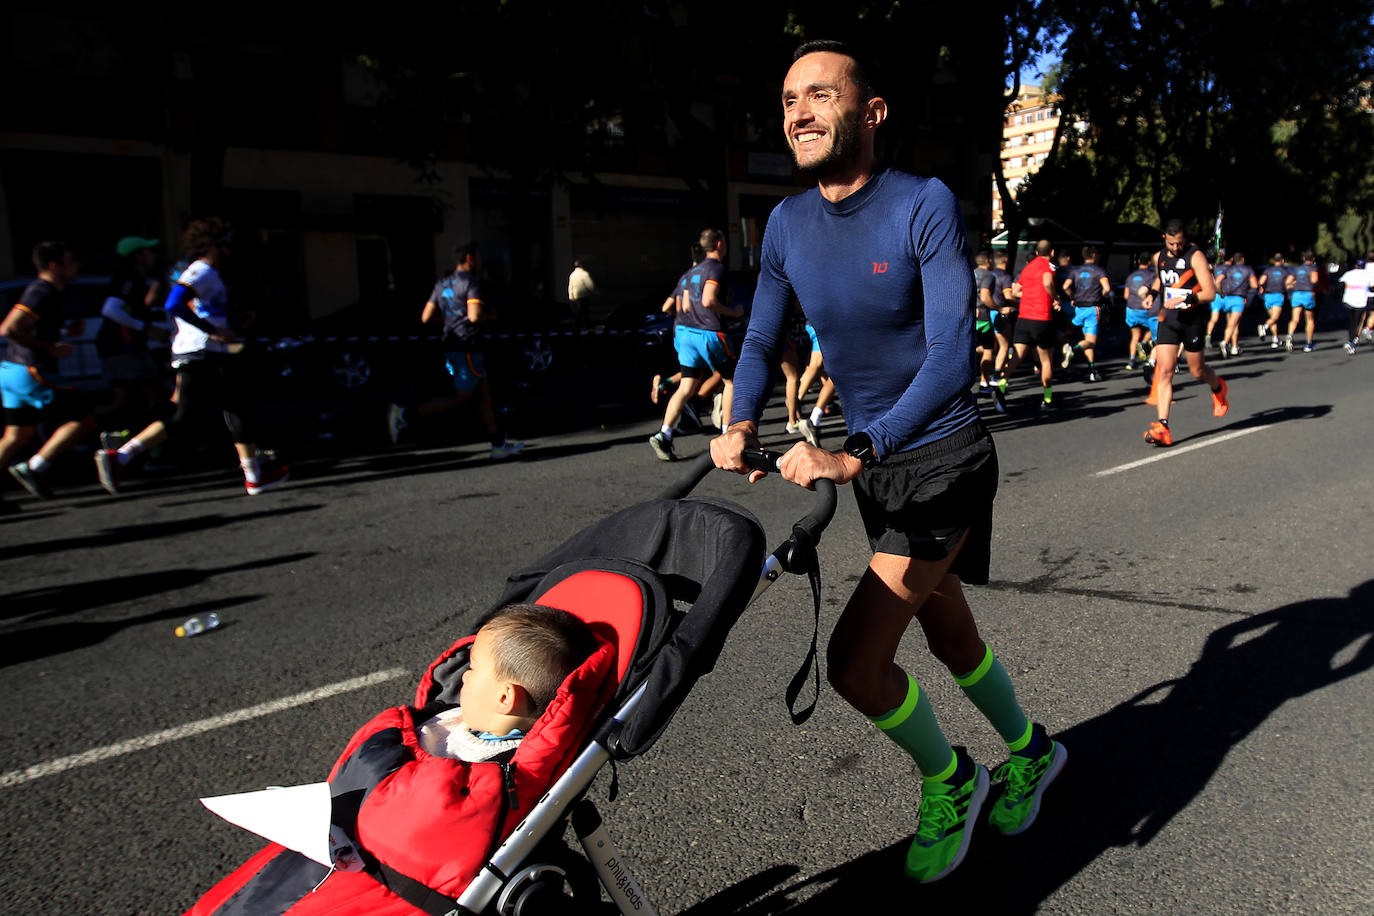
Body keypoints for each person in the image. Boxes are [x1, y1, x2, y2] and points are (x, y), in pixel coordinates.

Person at [714, 40, 1065, 884]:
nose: (798, 111)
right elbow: (763, 337)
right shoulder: (788, 225)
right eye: (790, 96)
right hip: (878, 469)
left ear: (870, 113)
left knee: (854, 664)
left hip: (941, 455)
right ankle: (1032, 749)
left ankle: (953, 778)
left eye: (821, 95)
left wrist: (854, 452)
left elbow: (951, 356)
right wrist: (735, 420)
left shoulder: (923, 203)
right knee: (948, 631)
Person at [93, 218, 290, 496]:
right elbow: (173, 303)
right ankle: (121, 455)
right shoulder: (202, 270)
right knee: (187, 414)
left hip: (204, 351)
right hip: (200, 352)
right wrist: (213, 331)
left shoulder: (205, 272)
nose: (229, 250)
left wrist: (230, 323)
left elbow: (198, 307)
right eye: (225, 244)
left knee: (233, 407)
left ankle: (254, 475)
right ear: (212, 245)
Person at [385, 243, 525, 459]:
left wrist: (450, 319)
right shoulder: (471, 282)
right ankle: (405, 414)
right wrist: (491, 316)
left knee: (485, 396)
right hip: (467, 346)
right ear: (469, 258)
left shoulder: (443, 283)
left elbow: (426, 317)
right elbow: (475, 316)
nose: (480, 261)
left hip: (454, 345)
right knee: (462, 398)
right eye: (478, 257)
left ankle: (498, 445)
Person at [420, 603, 598, 761]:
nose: (464, 676)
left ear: (504, 698)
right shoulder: (467, 716)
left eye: (473, 668)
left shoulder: (479, 766)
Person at [0, 241, 99, 500]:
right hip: (30, 371)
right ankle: (34, 467)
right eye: (72, 261)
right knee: (84, 417)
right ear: (55, 266)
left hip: (11, 369)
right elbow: (9, 329)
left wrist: (64, 333)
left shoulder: (47, 293)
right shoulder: (40, 291)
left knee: (17, 435)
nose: (76, 266)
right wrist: (48, 349)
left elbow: (32, 328)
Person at [648, 228, 740, 461]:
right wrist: (733, 312)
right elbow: (709, 299)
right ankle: (727, 435)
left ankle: (664, 434)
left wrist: (688, 312)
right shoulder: (715, 268)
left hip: (684, 333)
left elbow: (667, 307)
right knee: (731, 380)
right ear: (719, 244)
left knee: (686, 387)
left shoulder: (689, 273)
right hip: (708, 333)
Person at [1141, 220, 1229, 447]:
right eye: (1171, 244)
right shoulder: (1159, 256)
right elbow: (1161, 278)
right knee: (1165, 371)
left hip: (1192, 320)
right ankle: (1163, 426)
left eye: (1179, 243)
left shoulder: (1195, 256)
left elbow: (1209, 293)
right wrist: (1151, 293)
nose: (1176, 248)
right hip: (1168, 320)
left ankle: (1218, 387)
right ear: (1164, 239)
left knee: (1197, 371)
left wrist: (1188, 298)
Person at [95, 236, 169, 438]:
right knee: (133, 397)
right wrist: (144, 328)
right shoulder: (126, 278)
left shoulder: (136, 279)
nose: (153, 256)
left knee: (147, 393)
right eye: (149, 251)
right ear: (138, 256)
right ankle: (83, 426)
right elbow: (110, 309)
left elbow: (138, 308)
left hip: (129, 346)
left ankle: (148, 439)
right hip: (119, 347)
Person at [999, 239, 1060, 411]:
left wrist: (1032, 294)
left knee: (1017, 355)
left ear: (1037, 252)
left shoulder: (1028, 267)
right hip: (1042, 318)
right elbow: (1048, 282)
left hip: (1024, 318)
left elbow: (1017, 291)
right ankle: (1047, 399)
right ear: (1052, 252)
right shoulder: (1048, 266)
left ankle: (1001, 384)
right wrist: (1054, 297)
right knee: (1046, 360)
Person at [1059, 245, 1111, 382]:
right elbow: (1107, 288)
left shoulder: (1076, 270)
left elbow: (1065, 286)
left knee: (1071, 334)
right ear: (1094, 255)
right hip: (1092, 308)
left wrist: (1072, 297)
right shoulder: (1099, 270)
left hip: (1078, 307)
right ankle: (1073, 350)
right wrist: (1101, 295)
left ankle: (1092, 370)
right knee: (1090, 342)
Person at [1211, 251, 1256, 358]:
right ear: (1243, 260)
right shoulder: (1248, 270)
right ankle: (1225, 342)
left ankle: (1235, 346)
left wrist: (1221, 292)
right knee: (1234, 323)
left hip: (1227, 298)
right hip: (1238, 298)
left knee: (1232, 323)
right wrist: (1247, 292)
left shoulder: (1228, 269)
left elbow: (1217, 281)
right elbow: (1254, 284)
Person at [989, 251, 1017, 402]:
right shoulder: (1005, 276)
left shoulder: (989, 274)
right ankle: (996, 373)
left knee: (990, 346)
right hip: (1000, 312)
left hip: (987, 312)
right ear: (1005, 259)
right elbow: (1008, 296)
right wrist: (1019, 302)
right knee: (1004, 345)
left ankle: (984, 375)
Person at [1123, 252, 1158, 370]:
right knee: (1151, 330)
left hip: (1131, 309)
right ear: (1149, 263)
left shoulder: (1130, 276)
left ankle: (1131, 361)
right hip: (1145, 309)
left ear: (1139, 262)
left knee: (1135, 335)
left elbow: (1126, 295)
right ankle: (1144, 343)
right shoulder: (1152, 276)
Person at [1285, 251, 1319, 352]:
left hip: (1296, 294)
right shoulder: (1313, 268)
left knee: (1295, 318)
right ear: (1313, 259)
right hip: (1308, 294)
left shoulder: (1297, 269)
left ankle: (1289, 336)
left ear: (1303, 258)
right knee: (1309, 319)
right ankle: (1308, 344)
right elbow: (1314, 280)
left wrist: (1296, 283)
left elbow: (1288, 282)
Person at [1258, 253, 1290, 348]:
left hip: (1268, 296)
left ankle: (1275, 339)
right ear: (1282, 261)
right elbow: (1288, 283)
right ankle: (1264, 327)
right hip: (1278, 294)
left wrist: (1261, 288)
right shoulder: (1285, 271)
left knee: (1272, 318)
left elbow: (1261, 281)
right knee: (1275, 317)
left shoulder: (1268, 270)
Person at [1338, 258, 1369, 354]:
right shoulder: (1368, 274)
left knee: (1351, 322)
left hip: (1348, 301)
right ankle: (1351, 342)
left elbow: (1341, 282)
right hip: (1361, 302)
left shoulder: (1349, 273)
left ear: (1356, 265)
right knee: (1357, 322)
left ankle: (1351, 341)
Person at [567, 257, 596, 327]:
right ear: (581, 265)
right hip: (584, 295)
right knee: (585, 311)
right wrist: (594, 291)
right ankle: (587, 324)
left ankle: (578, 324)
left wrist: (571, 296)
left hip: (576, 296)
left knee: (579, 310)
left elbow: (570, 286)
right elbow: (589, 284)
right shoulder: (584, 274)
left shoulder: (572, 275)